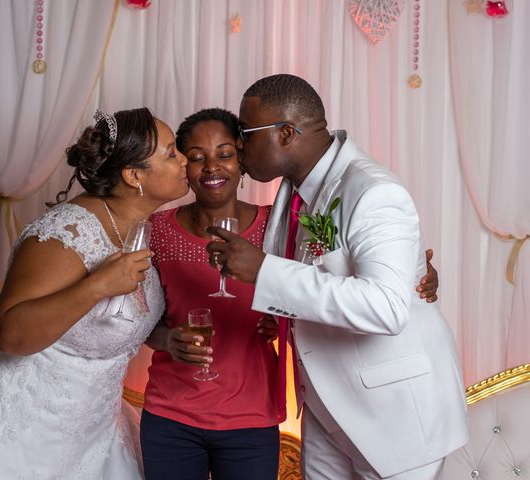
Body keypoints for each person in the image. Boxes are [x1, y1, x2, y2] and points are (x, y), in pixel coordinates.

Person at [139, 108, 441, 480]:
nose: (212, 167)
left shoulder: (277, 223)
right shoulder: (156, 230)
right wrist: (169, 338)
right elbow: (136, 321)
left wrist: (416, 272)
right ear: (184, 165)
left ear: (241, 159)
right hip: (171, 414)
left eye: (225, 154)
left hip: (251, 416)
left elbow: (329, 276)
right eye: (197, 157)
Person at [0, 107, 189, 479]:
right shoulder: (68, 231)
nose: (185, 160)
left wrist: (167, 337)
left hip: (90, 432)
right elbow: (11, 334)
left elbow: (122, 321)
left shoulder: (142, 230)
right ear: (133, 176)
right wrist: (97, 285)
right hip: (15, 429)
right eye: (172, 152)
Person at [207, 74, 468, 480]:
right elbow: (318, 276)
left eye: (244, 132)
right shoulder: (294, 190)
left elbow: (386, 308)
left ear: (287, 133)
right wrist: (277, 316)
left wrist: (264, 271)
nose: (238, 144)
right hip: (328, 408)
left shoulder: (373, 191)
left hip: (394, 416)